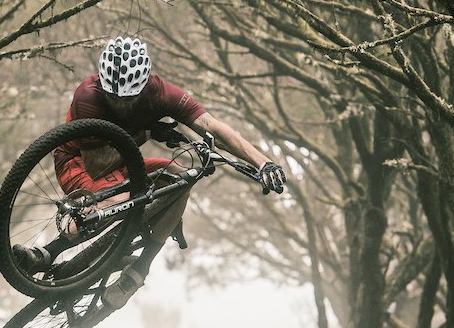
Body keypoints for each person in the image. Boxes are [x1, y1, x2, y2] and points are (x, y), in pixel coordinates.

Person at [21, 36, 286, 309]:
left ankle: (138, 271)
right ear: (102, 83)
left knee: (180, 178)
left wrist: (262, 162)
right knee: (112, 202)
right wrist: (148, 129)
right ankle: (46, 253)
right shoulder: (88, 95)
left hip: (122, 164)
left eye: (130, 98)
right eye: (114, 98)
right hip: (79, 162)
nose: (121, 105)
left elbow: (212, 125)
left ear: (144, 84)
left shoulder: (159, 92)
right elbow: (99, 164)